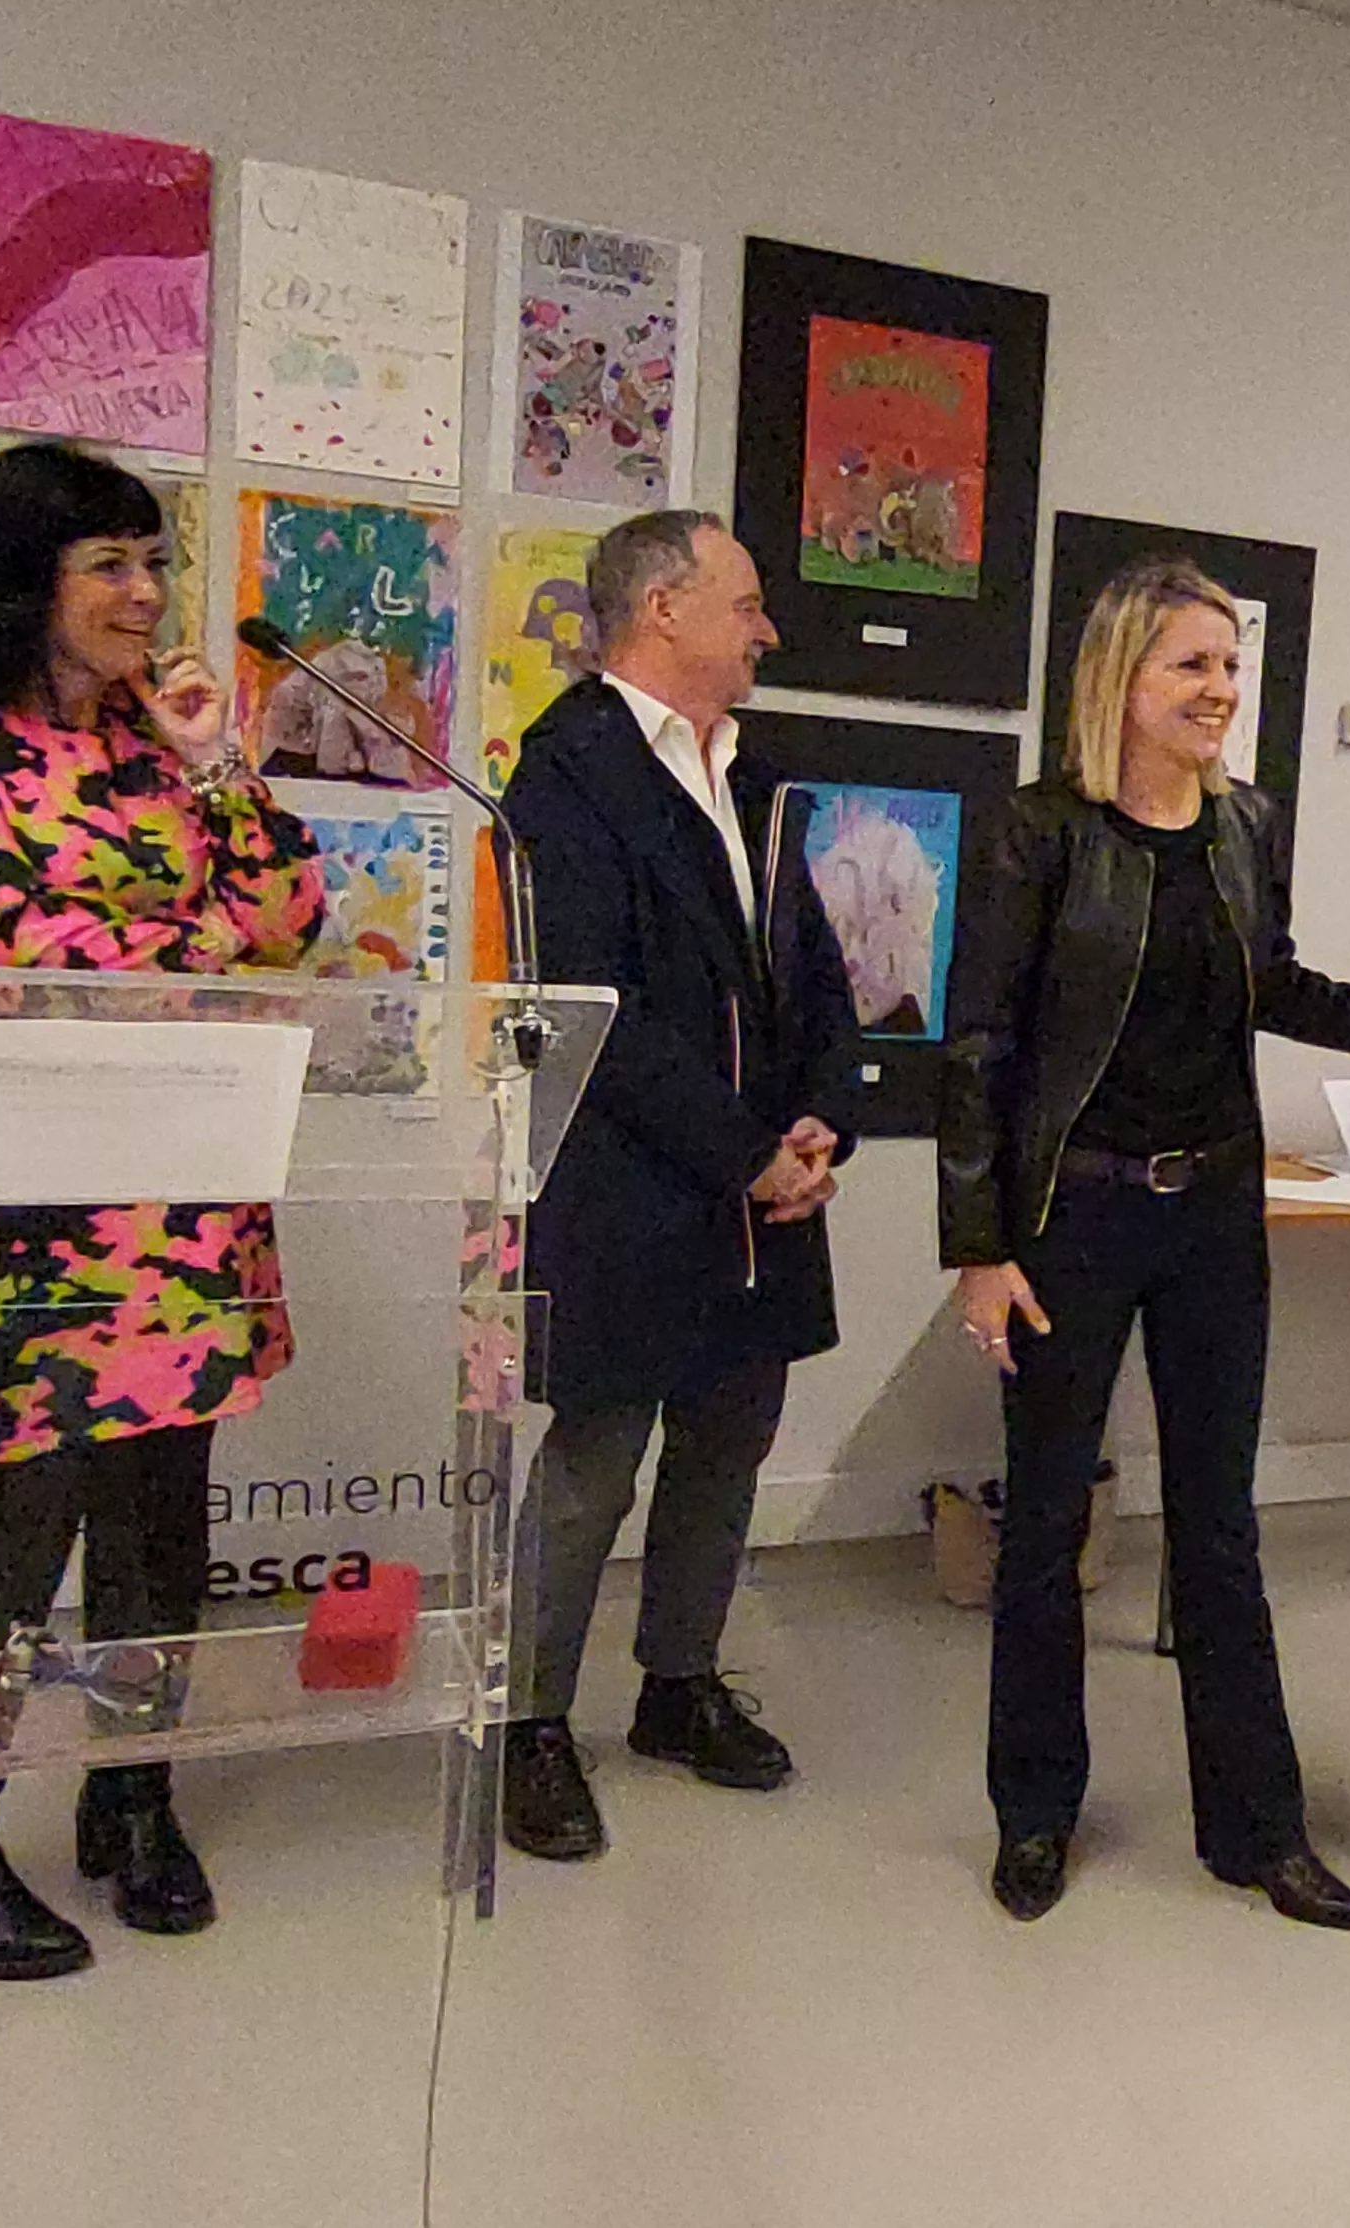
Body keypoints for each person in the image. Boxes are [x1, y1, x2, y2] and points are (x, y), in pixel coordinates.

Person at [0, 441, 324, 1980]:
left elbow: (285, 922)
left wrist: (217, 767)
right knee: (9, 1534)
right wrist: (192, 950)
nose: (146, 596)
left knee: (156, 1533)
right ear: (21, 583)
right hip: (17, 1219)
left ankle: (135, 1796)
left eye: (153, 564)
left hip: (178, 1205)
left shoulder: (156, 740)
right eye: (110, 565)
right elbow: (2, 941)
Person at [939, 558, 1350, 1929]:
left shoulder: (1245, 825)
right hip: (1072, 1219)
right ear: (1120, 678)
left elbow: (1276, 981)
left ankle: (1258, 1831)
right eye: (1193, 664)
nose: (1221, 689)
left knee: (1219, 1527)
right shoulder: (1039, 832)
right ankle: (1033, 1814)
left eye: (1230, 665)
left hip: (1213, 1220)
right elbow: (979, 1048)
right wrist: (980, 1246)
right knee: (1044, 1523)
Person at [496, 510, 862, 1861]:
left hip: (762, 1189)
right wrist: (743, 1150)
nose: (768, 629)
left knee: (729, 1437)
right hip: (630, 1185)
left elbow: (811, 970)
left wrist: (819, 1118)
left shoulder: (752, 776)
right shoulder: (567, 774)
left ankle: (678, 1683)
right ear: (662, 609)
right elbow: (594, 1009)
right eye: (746, 602)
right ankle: (526, 1722)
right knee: (595, 1458)